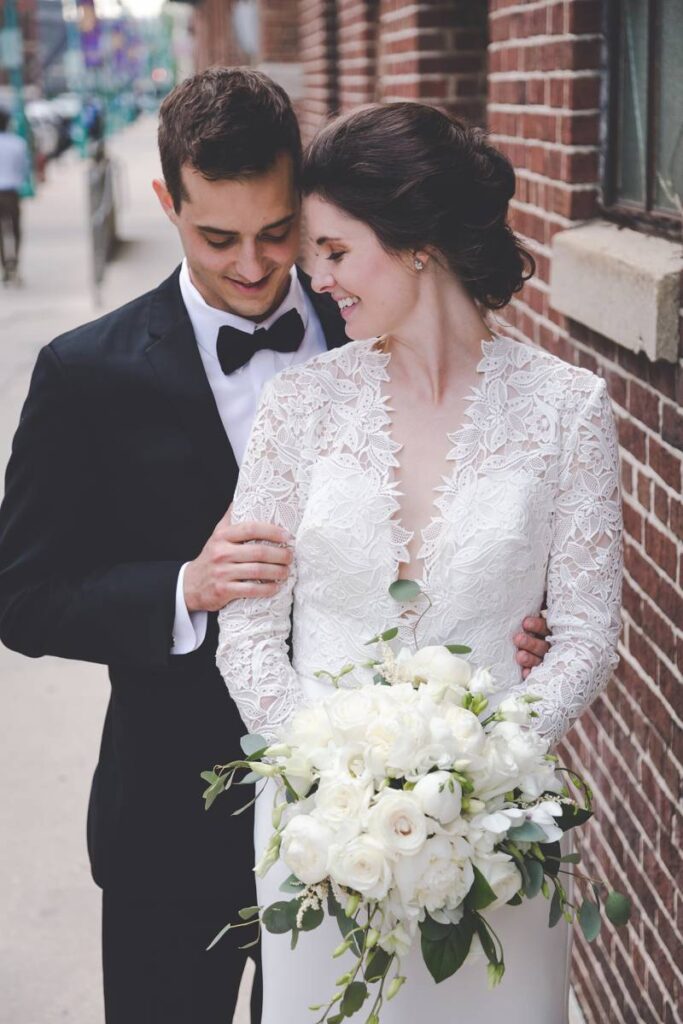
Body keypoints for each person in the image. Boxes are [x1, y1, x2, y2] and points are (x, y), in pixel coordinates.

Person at [0, 69, 549, 1022]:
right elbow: (23, 595)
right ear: (166, 200)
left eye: (277, 230)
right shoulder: (83, 373)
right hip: (172, 825)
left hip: (377, 833)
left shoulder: (375, 326)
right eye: (218, 238)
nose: (254, 265)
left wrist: (507, 617)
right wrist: (182, 587)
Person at [217, 102, 623, 1023]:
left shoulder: (568, 409)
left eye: (334, 250)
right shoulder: (299, 407)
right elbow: (247, 633)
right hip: (324, 836)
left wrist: (482, 774)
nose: (315, 278)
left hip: (496, 835)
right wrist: (334, 779)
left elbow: (587, 635)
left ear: (416, 244)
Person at [0, 108, 30, 284]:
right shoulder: (17, 143)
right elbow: (23, 168)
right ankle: (14, 263)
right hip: (11, 191)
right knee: (15, 229)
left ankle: (5, 265)